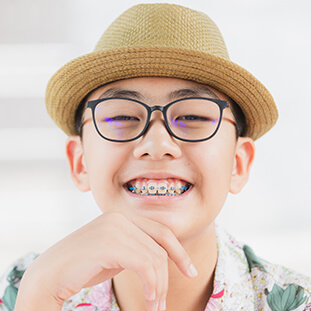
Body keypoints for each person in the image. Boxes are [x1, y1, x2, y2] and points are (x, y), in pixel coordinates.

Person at [1, 3, 310, 311]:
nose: (157, 144)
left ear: (238, 164)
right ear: (79, 162)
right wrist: (39, 296)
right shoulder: (28, 288)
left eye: (192, 116)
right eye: (121, 116)